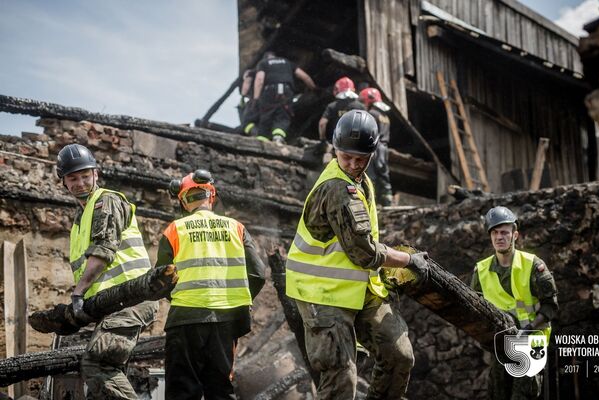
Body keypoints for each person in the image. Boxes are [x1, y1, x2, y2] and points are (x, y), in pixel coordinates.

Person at [286, 110, 429, 400]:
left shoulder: (363, 182)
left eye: (360, 159)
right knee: (341, 379)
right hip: (320, 292)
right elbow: (363, 252)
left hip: (357, 287)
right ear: (335, 150)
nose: (352, 164)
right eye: (345, 157)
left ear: (372, 154)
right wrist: (408, 260)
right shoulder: (337, 189)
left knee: (399, 355)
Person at [56, 143, 158, 399]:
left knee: (97, 364)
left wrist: (78, 294)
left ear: (96, 174)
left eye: (85, 175)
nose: (80, 182)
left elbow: (104, 250)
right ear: (64, 182)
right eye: (73, 178)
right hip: (113, 303)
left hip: (131, 298)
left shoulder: (106, 201)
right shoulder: (80, 219)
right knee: (106, 376)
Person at [156, 169, 266, 399]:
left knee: (182, 392)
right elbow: (258, 274)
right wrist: (234, 300)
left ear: (184, 202)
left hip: (185, 320)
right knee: (221, 392)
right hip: (225, 323)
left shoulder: (174, 230)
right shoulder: (236, 228)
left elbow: (162, 280)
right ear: (211, 196)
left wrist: (184, 296)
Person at [470, 206, 558, 400]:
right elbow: (475, 312)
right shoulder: (481, 271)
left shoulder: (534, 265)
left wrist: (527, 330)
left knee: (523, 394)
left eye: (504, 232)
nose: (499, 237)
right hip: (501, 344)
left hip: (533, 339)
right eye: (494, 232)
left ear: (515, 235)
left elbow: (550, 306)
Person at [253, 51, 316, 145]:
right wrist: (314, 88)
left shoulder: (263, 63)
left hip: (269, 91)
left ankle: (261, 141)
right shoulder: (287, 62)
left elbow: (259, 80)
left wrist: (256, 98)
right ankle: (278, 138)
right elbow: (304, 76)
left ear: (266, 58)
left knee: (266, 115)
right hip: (286, 91)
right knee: (283, 115)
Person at [359, 87, 393, 206]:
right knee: (383, 175)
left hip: (374, 147)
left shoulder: (372, 114)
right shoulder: (385, 117)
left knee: (371, 175)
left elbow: (368, 132)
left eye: (363, 101)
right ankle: (387, 201)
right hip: (384, 148)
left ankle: (370, 201)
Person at [318, 76, 366, 143]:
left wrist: (322, 139)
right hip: (356, 143)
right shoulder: (361, 107)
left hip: (338, 142)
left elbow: (322, 123)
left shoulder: (332, 106)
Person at [238, 68, 259, 137]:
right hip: (269, 102)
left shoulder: (250, 74)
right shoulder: (265, 73)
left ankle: (254, 133)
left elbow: (247, 84)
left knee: (246, 122)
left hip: (255, 101)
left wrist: (242, 97)